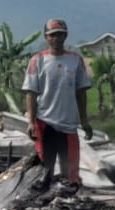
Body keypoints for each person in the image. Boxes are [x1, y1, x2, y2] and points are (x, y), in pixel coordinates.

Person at [22, 19, 93, 197]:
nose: (57, 38)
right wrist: (30, 122)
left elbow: (81, 92)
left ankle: (68, 198)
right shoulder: (37, 60)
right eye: (53, 35)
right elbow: (31, 93)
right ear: (46, 37)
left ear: (65, 35)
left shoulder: (75, 60)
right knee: (45, 166)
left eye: (60, 34)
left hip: (68, 123)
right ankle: (40, 197)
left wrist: (84, 120)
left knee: (70, 171)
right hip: (45, 121)